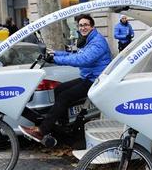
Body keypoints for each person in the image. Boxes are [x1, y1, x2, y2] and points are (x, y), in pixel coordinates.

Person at [19, 14, 112, 143]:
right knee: (59, 89)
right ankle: (63, 126)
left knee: (65, 96)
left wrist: (55, 59)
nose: (83, 27)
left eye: (86, 25)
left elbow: (82, 59)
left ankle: (42, 131)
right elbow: (75, 54)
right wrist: (55, 53)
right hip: (89, 77)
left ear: (92, 26)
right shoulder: (88, 39)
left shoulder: (97, 42)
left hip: (95, 80)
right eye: (80, 25)